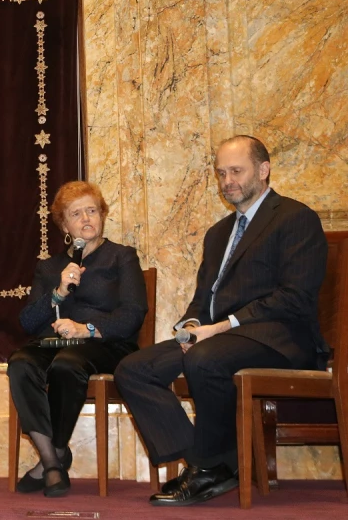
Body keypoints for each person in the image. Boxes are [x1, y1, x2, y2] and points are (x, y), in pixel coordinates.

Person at [114, 135, 328, 506]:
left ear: (263, 170)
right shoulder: (218, 234)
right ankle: (210, 462)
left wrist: (224, 325)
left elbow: (295, 298)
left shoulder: (296, 218)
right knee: (134, 368)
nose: (227, 180)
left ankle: (208, 465)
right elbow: (203, 299)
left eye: (236, 171)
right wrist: (192, 325)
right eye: (221, 173)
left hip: (278, 340)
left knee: (206, 359)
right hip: (217, 338)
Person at [8, 181, 147, 497]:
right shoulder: (50, 267)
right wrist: (56, 293)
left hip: (106, 344)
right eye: (76, 214)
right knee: (20, 362)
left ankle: (52, 457)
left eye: (92, 211)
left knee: (66, 364)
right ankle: (53, 460)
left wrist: (87, 329)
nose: (86, 219)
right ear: (64, 225)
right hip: (57, 344)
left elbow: (134, 313)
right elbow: (28, 322)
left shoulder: (121, 257)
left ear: (102, 215)